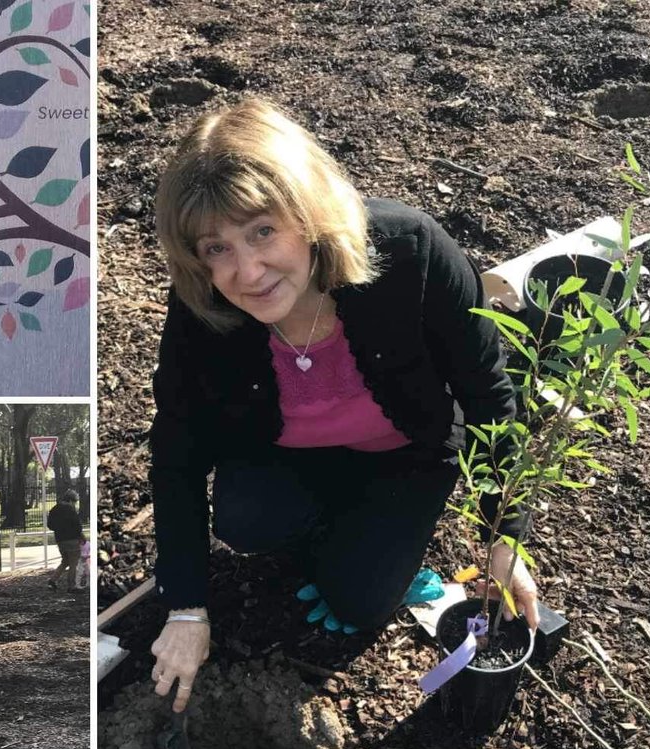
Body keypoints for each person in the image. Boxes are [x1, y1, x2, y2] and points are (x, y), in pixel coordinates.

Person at [146, 98, 539, 713]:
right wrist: (187, 607)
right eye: (216, 248)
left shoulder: (411, 253)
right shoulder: (203, 307)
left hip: (405, 452)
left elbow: (488, 395)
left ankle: (372, 532)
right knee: (245, 522)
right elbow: (176, 447)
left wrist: (503, 539)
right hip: (287, 454)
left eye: (262, 231)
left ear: (308, 211)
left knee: (360, 603)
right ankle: (338, 523)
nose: (248, 272)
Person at [46, 489, 85, 593]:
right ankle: (72, 586)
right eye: (75, 502)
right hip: (72, 539)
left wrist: (59, 529)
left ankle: (53, 580)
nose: (75, 504)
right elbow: (77, 525)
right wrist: (81, 536)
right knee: (74, 563)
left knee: (66, 561)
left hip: (60, 539)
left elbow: (50, 525)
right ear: (71, 500)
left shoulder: (54, 509)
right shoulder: (71, 510)